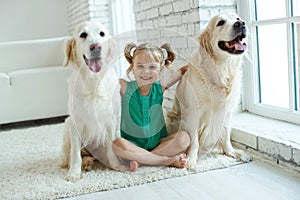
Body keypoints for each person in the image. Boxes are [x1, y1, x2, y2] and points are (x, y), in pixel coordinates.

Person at [112, 42, 191, 172]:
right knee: (117, 145)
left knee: (184, 138)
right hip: (132, 146)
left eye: (152, 67)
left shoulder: (159, 88)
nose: (146, 72)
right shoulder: (125, 87)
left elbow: (182, 71)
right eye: (140, 66)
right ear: (132, 67)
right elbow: (108, 79)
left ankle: (143, 161)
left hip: (159, 144)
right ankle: (165, 160)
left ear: (161, 69)